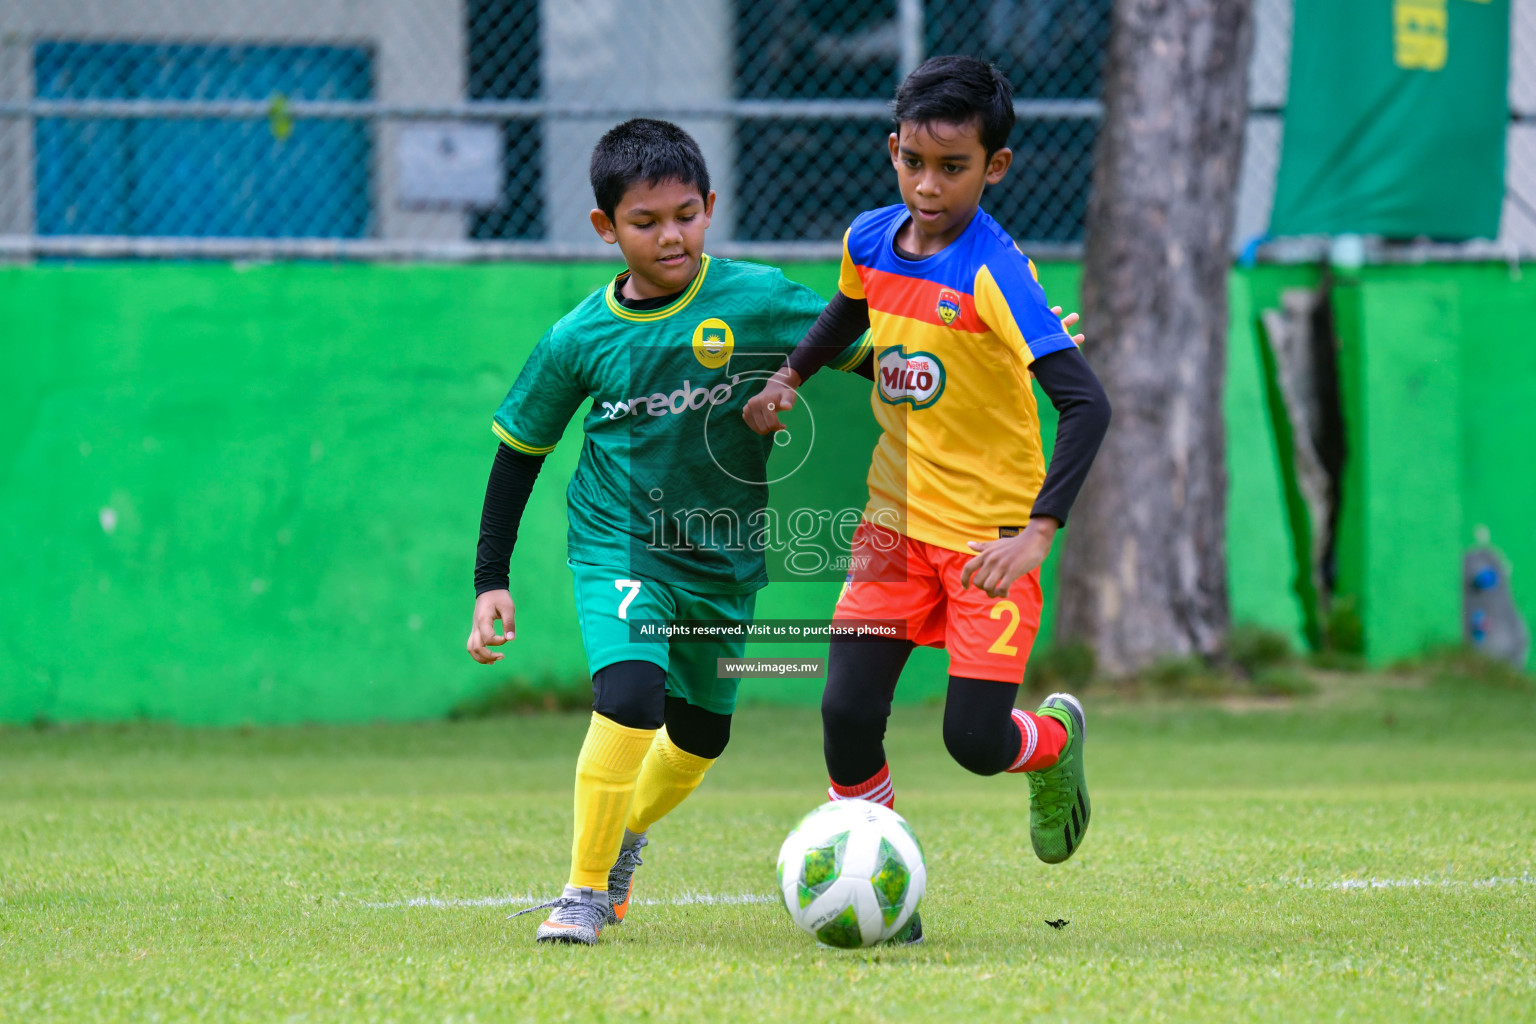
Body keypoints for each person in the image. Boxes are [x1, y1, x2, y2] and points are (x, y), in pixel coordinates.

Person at [467, 119, 871, 945]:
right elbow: (518, 455)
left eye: (685, 215)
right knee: (629, 698)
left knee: (699, 738)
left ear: (710, 207)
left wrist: (1012, 349)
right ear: (605, 229)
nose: (670, 236)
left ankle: (619, 842)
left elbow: (876, 355)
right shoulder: (578, 338)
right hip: (620, 545)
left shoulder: (756, 298)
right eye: (645, 222)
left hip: (723, 560)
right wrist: (490, 579)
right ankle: (581, 894)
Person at [743, 56, 1112, 882]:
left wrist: (1038, 535)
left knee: (974, 743)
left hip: (990, 541)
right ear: (893, 150)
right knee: (844, 712)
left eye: (954, 168)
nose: (928, 186)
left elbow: (1087, 404)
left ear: (996, 167)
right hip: (892, 526)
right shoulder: (869, 238)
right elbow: (847, 307)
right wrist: (789, 376)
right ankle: (878, 881)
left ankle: (1051, 747)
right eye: (914, 162)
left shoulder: (996, 270)